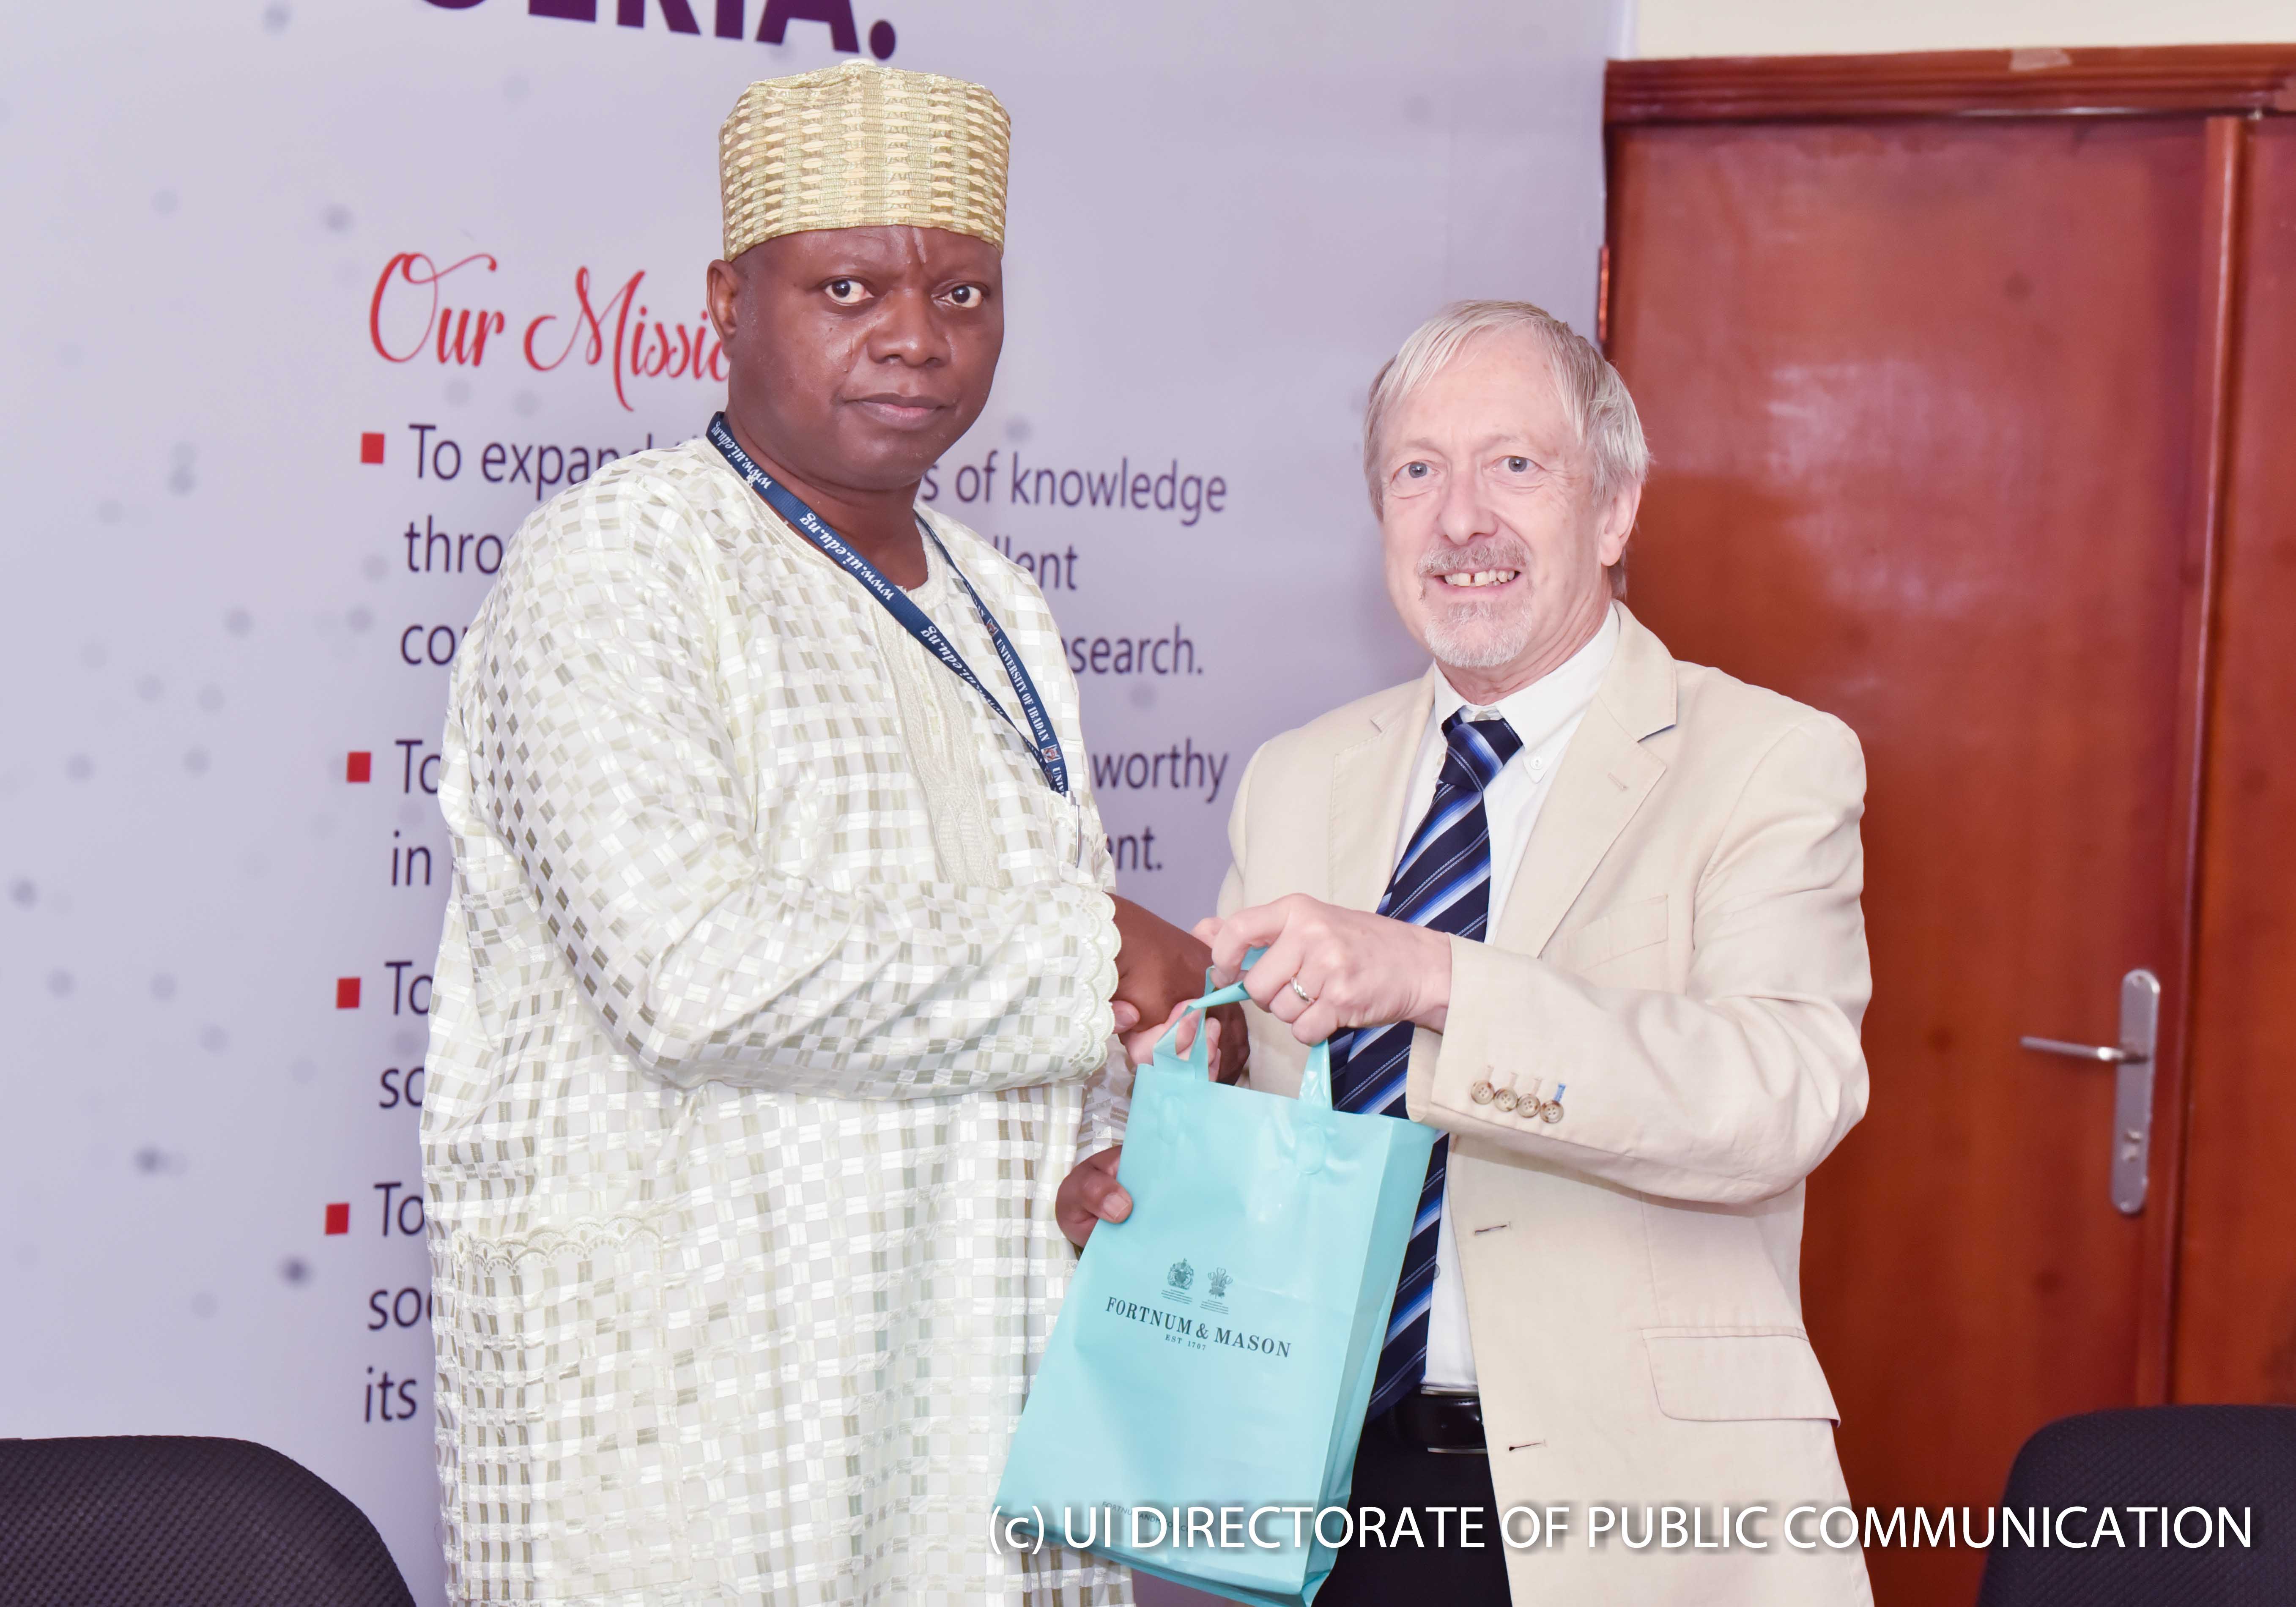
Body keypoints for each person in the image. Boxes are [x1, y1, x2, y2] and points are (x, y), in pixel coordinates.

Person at [421, 61, 1225, 1606]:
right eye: (848, 288)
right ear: (729, 302)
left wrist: (1124, 1126)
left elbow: (1043, 1003)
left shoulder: (1004, 603)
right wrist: (1090, 959)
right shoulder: (621, 561)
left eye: (963, 293)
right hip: (698, 1418)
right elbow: (687, 970)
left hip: (981, 1390)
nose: (916, 336)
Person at [1085, 301, 1874, 1604]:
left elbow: (1784, 1093)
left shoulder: (1767, 761)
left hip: (1639, 1517)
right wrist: (1165, 1135)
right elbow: (1270, 1117)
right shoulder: (1297, 778)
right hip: (1334, 1501)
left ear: (1614, 509)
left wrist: (1435, 978)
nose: (1461, 519)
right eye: (1417, 471)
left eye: (1515, 465)